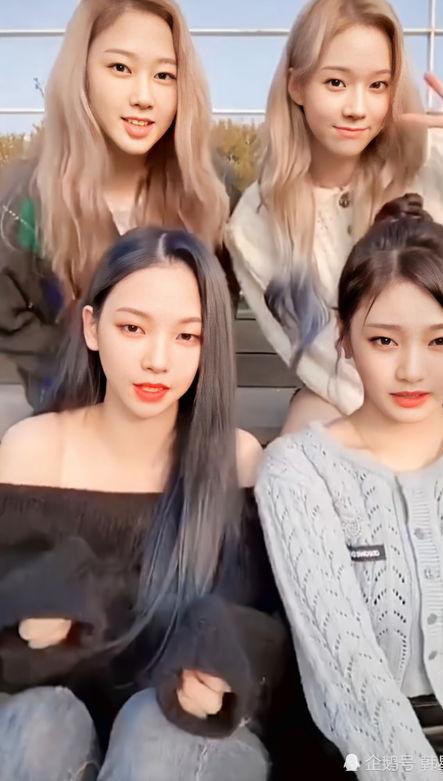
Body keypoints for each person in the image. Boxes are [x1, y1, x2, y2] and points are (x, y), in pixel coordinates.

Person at [0, 226, 286, 781]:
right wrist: (24, 629)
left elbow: (265, 633)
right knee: (42, 722)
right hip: (48, 736)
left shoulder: (237, 460)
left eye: (187, 336)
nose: (158, 360)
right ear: (92, 327)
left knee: (152, 729)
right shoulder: (32, 450)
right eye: (133, 328)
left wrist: (224, 675)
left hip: (187, 743)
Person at [255, 195, 443, 781]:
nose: (412, 370)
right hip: (361, 752)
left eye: (440, 341)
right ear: (344, 335)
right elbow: (349, 678)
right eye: (384, 341)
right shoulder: (298, 473)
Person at [226, 0, 443, 432]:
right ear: (297, 86)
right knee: (309, 428)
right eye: (336, 82)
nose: (357, 108)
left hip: (438, 394)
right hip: (341, 402)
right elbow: (316, 355)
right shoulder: (256, 222)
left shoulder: (429, 159)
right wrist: (394, 432)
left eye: (377, 85)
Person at [0, 0, 230, 412]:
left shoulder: (210, 191)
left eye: (164, 75)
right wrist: (82, 373)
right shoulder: (23, 198)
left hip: (178, 420)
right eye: (120, 68)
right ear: (82, 72)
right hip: (69, 413)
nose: (143, 97)